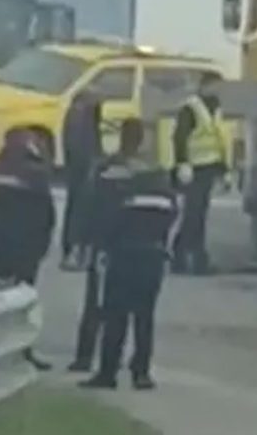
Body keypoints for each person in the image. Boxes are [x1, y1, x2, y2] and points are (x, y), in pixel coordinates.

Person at [80, 119, 178, 390]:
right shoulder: (158, 176)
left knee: (114, 314)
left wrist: (94, 243)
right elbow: (171, 213)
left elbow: (97, 211)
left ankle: (108, 372)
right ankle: (141, 372)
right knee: (144, 317)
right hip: (153, 255)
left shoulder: (109, 171)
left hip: (121, 254)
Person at [66, 128, 140, 373]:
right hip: (127, 245)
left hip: (103, 244)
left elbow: (85, 203)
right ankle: (110, 358)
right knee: (119, 307)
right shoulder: (145, 172)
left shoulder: (103, 168)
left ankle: (86, 357)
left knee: (95, 305)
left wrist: (79, 241)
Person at [0, 127, 56, 372]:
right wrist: (43, 242)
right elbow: (47, 213)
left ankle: (0, 349)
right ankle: (20, 350)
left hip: (4, 244)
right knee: (22, 301)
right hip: (27, 246)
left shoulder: (0, 166)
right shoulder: (35, 174)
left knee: (0, 299)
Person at [171, 79, 231, 274]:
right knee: (193, 214)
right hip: (194, 168)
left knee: (198, 214)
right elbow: (180, 136)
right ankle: (190, 258)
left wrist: (224, 169)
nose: (216, 89)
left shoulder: (215, 106)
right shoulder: (191, 108)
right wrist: (183, 163)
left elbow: (220, 138)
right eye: (213, 85)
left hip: (209, 167)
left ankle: (188, 256)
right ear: (203, 86)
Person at [61, 91, 103, 270]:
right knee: (82, 209)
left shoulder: (75, 115)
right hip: (84, 168)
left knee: (75, 207)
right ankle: (77, 251)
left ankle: (74, 250)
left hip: (78, 168)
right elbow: (84, 146)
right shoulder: (82, 117)